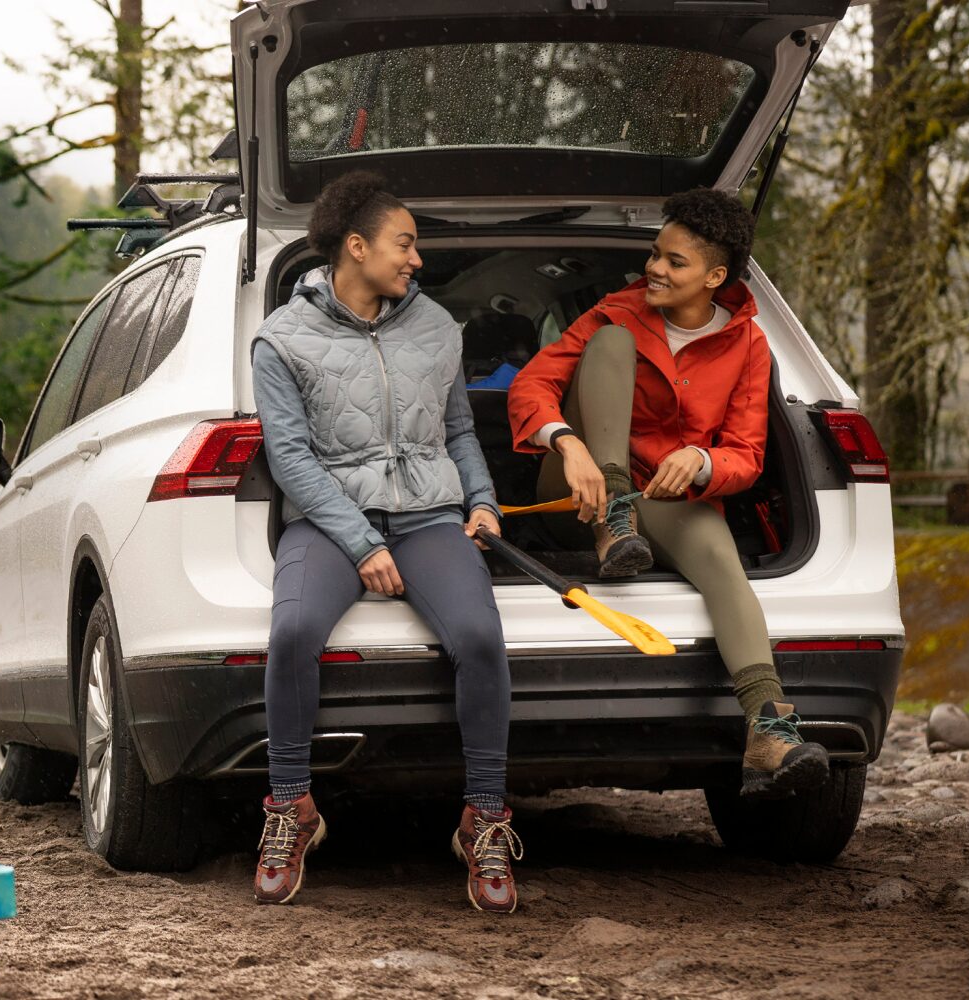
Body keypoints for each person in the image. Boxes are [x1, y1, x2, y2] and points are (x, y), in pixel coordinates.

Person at [248, 170, 520, 913]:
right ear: (357, 246)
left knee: (479, 636)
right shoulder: (281, 340)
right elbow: (291, 459)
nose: (417, 260)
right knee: (295, 629)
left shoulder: (435, 327)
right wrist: (364, 543)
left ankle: (485, 819)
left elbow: (458, 429)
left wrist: (484, 502)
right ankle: (290, 807)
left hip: (431, 516)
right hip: (331, 522)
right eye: (405, 244)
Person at [504, 187, 830, 800]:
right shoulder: (617, 310)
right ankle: (612, 521)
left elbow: (747, 455)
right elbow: (530, 386)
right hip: (576, 493)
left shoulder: (749, 343)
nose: (654, 268)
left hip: (668, 499)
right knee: (612, 344)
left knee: (719, 560)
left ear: (715, 276)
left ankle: (767, 729)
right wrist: (567, 444)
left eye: (674, 262)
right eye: (656, 254)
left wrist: (702, 461)